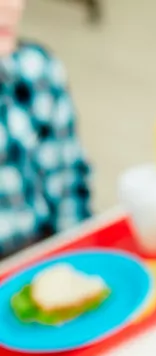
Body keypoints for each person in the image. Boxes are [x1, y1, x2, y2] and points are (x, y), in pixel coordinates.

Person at [0, 0, 91, 260]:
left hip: (52, 253)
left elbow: (69, 181)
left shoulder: (38, 69)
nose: (13, 6)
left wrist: (75, 254)